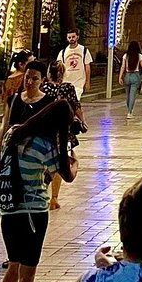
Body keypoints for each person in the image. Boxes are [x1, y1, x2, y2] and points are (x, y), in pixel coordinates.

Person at [0, 88, 77, 282]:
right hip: (33, 213)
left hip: (8, 211)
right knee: (28, 274)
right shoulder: (46, 144)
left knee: (13, 268)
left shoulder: (12, 133)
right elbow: (65, 175)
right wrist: (74, 163)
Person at [43, 59, 86, 211]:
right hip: (64, 132)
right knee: (61, 162)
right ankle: (54, 198)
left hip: (46, 131)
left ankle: (42, 191)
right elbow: (76, 106)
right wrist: (83, 121)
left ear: (49, 73)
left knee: (45, 162)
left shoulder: (44, 88)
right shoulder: (68, 88)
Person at [56, 30, 92, 98]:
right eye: (69, 37)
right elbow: (59, 67)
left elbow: (87, 66)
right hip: (66, 82)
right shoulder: (63, 52)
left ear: (77, 37)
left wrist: (87, 82)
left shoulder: (84, 50)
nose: (71, 39)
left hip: (79, 82)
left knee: (76, 101)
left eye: (73, 37)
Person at [118, 40, 142, 119]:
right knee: (132, 95)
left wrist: (120, 77)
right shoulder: (139, 56)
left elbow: (122, 67)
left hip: (127, 75)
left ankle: (129, 110)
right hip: (135, 75)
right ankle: (130, 112)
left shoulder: (126, 55)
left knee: (128, 95)